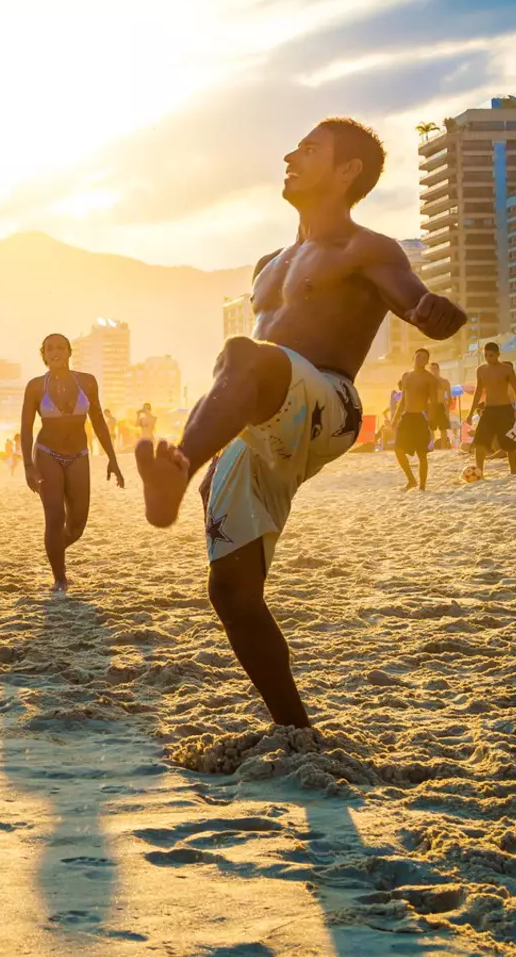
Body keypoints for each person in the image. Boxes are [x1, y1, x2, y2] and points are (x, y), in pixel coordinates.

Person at [135, 119, 465, 730]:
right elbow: (246, 372)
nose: (291, 155)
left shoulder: (366, 248)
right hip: (260, 423)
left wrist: (431, 313)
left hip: (329, 405)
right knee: (232, 595)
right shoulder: (268, 264)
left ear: (348, 172)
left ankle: (176, 468)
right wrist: (220, 449)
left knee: (240, 352)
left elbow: (411, 300)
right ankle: (295, 729)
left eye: (309, 150)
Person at [20, 333, 123, 593]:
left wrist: (112, 458)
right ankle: (60, 577)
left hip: (79, 455)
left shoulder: (87, 382)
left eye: (61, 347)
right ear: (43, 354)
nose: (55, 352)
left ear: (69, 351)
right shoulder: (35, 387)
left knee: (77, 524)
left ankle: (54, 549)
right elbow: (25, 429)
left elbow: (98, 421)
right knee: (55, 517)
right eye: (50, 348)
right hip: (46, 454)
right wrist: (28, 467)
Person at [469, 341, 516, 478]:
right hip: (489, 410)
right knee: (480, 442)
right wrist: (470, 413)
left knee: (509, 444)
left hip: (505, 410)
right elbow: (477, 393)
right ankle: (479, 472)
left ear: (498, 354)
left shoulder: (506, 369)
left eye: (491, 355)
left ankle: (513, 472)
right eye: (486, 356)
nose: (489, 358)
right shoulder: (481, 370)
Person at [393, 348, 437, 489]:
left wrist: (431, 420)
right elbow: (403, 399)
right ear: (413, 358)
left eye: (424, 357)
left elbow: (434, 401)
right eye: (418, 356)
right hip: (406, 417)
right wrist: (395, 418)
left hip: (420, 417)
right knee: (398, 449)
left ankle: (422, 486)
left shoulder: (429, 378)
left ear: (427, 361)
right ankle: (411, 480)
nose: (420, 359)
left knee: (421, 454)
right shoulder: (406, 376)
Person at [427, 363, 453, 449]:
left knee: (443, 428)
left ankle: (443, 447)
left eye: (435, 369)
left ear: (438, 369)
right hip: (431, 406)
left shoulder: (444, 382)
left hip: (441, 406)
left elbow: (449, 398)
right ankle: (432, 446)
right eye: (432, 369)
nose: (434, 371)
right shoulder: (428, 382)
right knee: (431, 428)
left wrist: (448, 410)